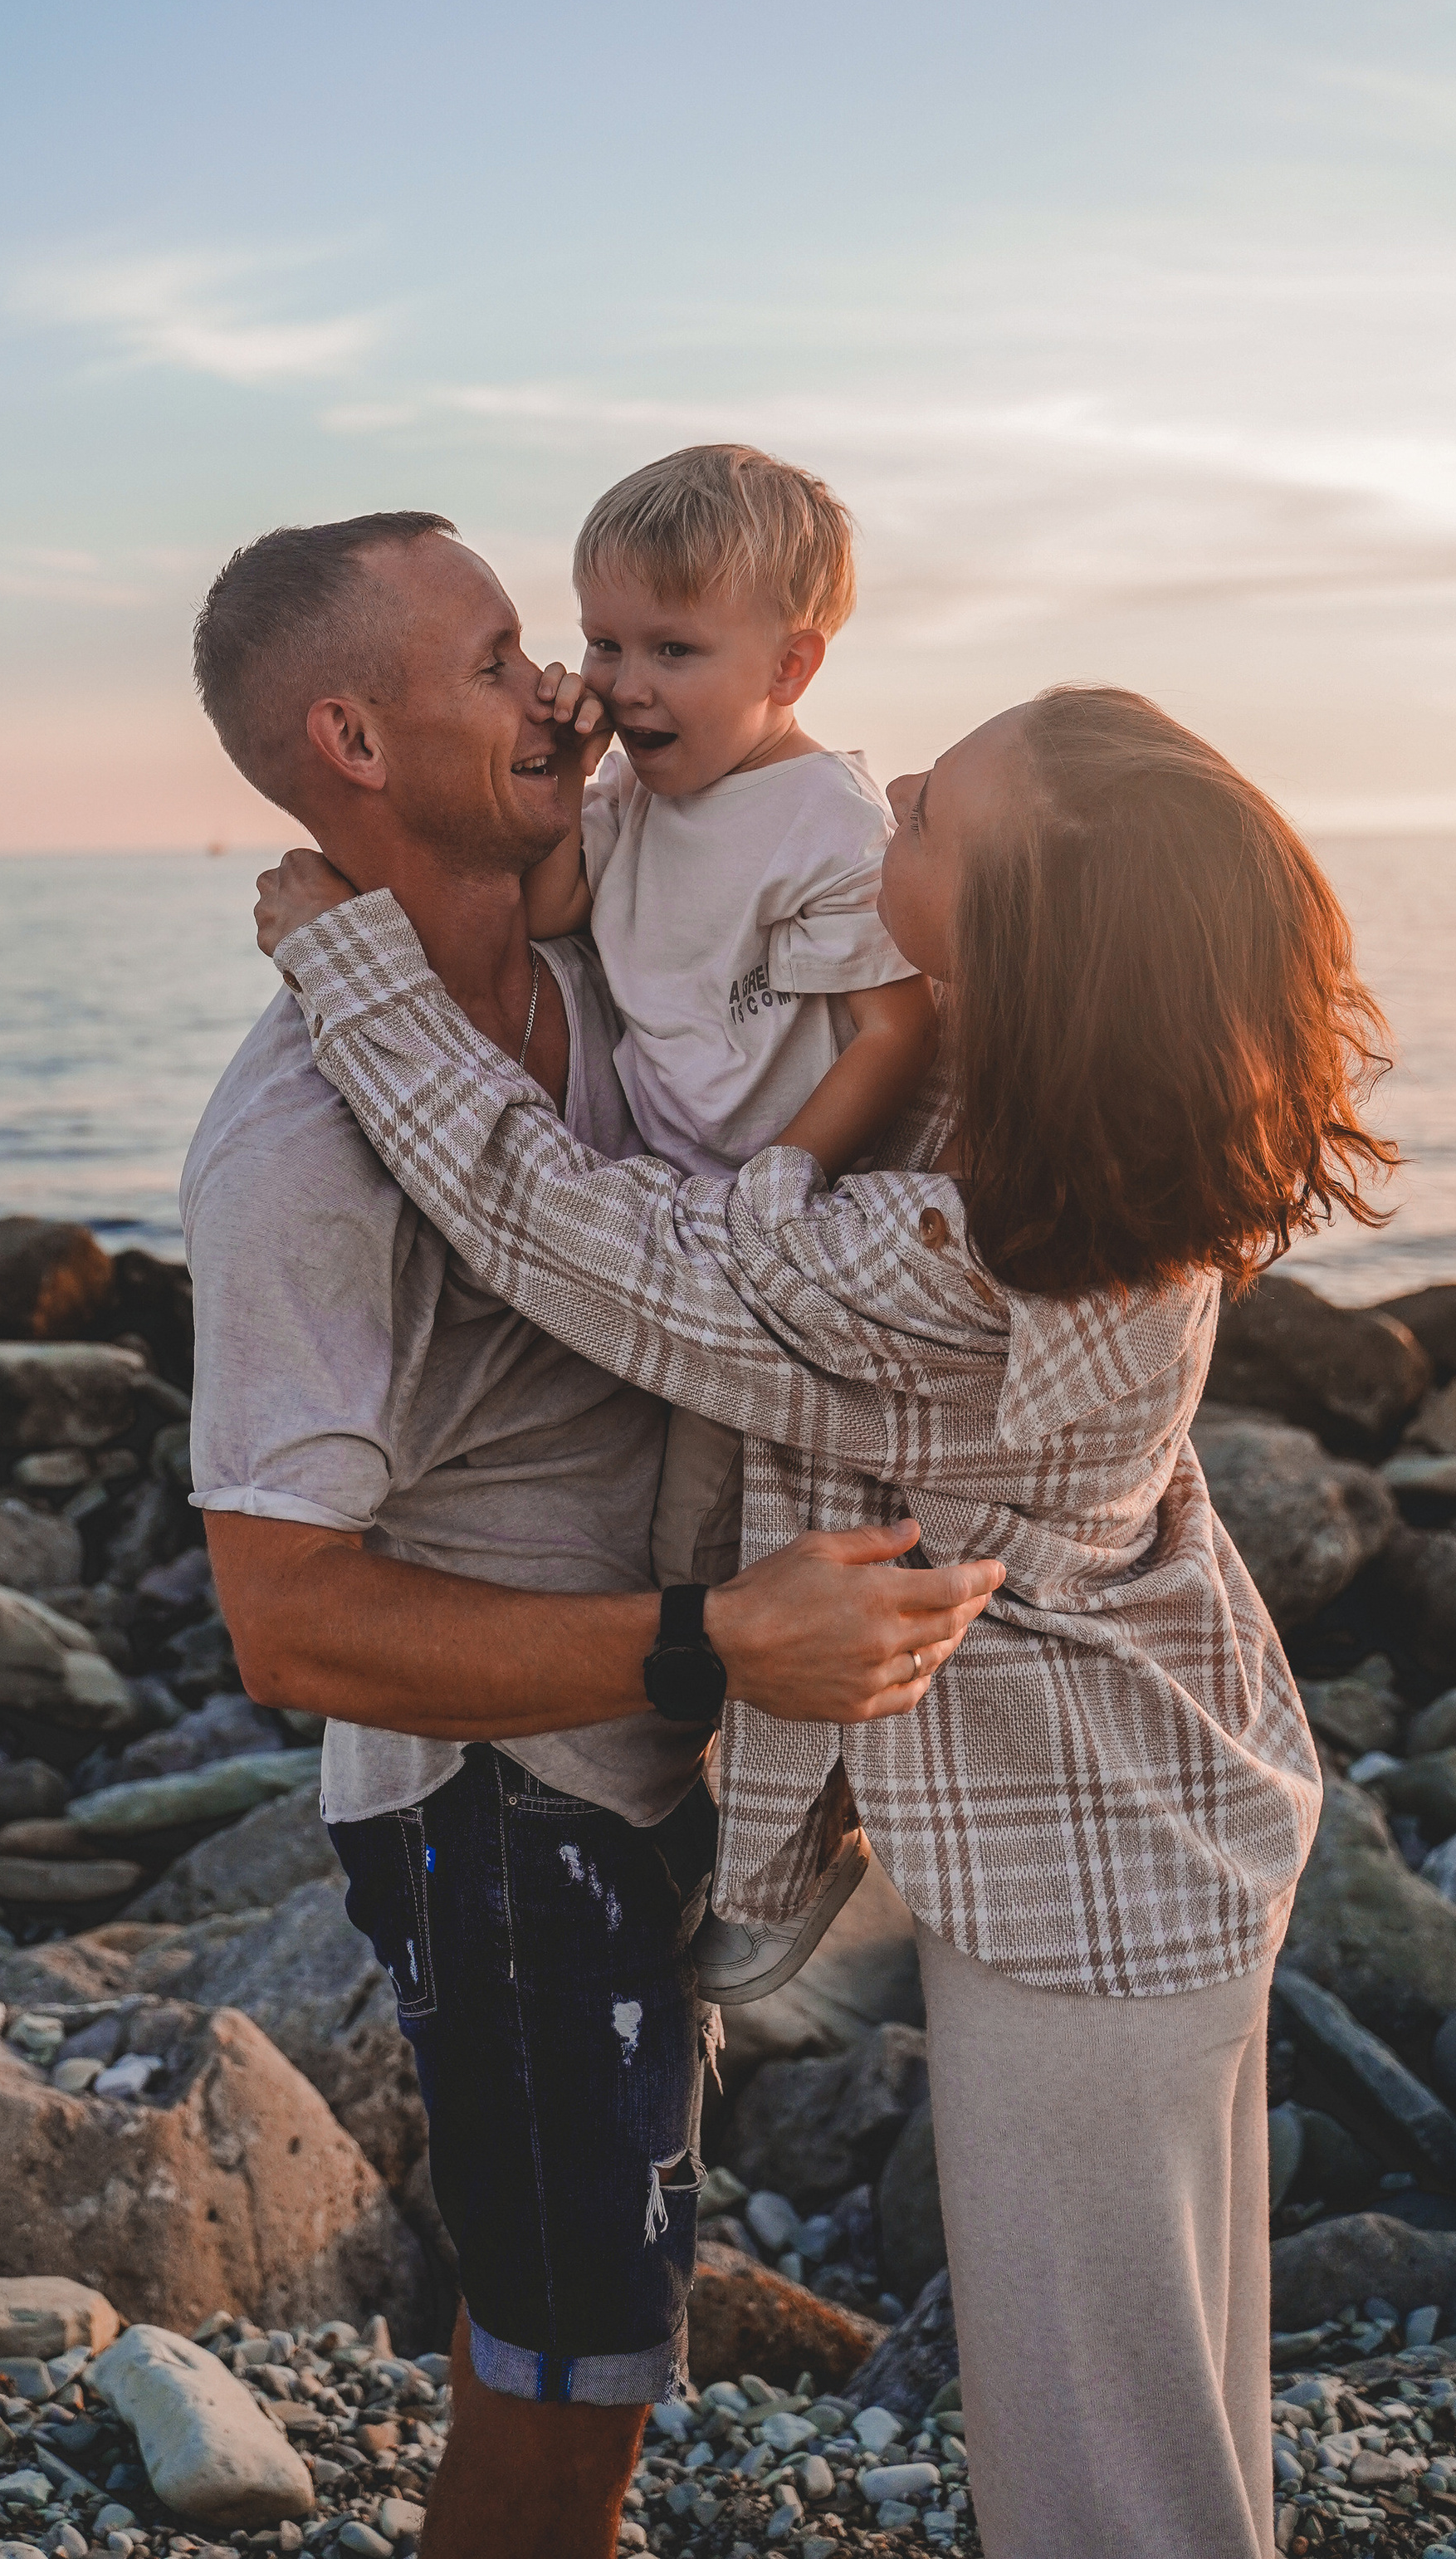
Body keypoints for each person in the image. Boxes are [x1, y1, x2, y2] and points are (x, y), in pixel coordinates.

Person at [258, 683, 1395, 2559]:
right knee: (1171, 2381)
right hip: (1172, 1801)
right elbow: (724, 930)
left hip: (1084, 1871)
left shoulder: (974, 1251)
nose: (898, 796)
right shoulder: (1061, 1105)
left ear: (1026, 927)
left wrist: (356, 970)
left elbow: (570, 1238)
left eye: (939, 816)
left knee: (1096, 2446)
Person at [182, 509, 1004, 2559]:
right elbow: (283, 1625)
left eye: (548, 645)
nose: (560, 687)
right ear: (353, 741)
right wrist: (709, 1645)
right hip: (495, 1813)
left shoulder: (603, 968)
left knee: (598, 2336)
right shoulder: (298, 1144)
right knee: (571, 2361)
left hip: (655, 1756)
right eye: (494, 663)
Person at [520, 440, 937, 2004]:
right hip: (671, 1222)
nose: (625, 682)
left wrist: (785, 1188)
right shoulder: (633, 790)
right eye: (606, 642)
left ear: (794, 660)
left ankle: (792, 1847)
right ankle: (700, 1814)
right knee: (673, 1540)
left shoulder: (822, 819)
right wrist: (561, 783)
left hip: (781, 1239)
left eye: (674, 652)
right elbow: (561, 910)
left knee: (752, 1547)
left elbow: (898, 1032)